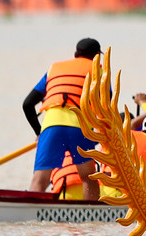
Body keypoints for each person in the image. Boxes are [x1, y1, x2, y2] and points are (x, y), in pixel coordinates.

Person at [24, 38, 102, 199]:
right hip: (80, 127)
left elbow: (27, 104)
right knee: (88, 177)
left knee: (40, 179)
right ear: (97, 57)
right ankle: (92, 218)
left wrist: (39, 132)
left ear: (75, 54)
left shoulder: (54, 69)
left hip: (50, 127)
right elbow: (105, 105)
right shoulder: (98, 70)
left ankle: (29, 211)